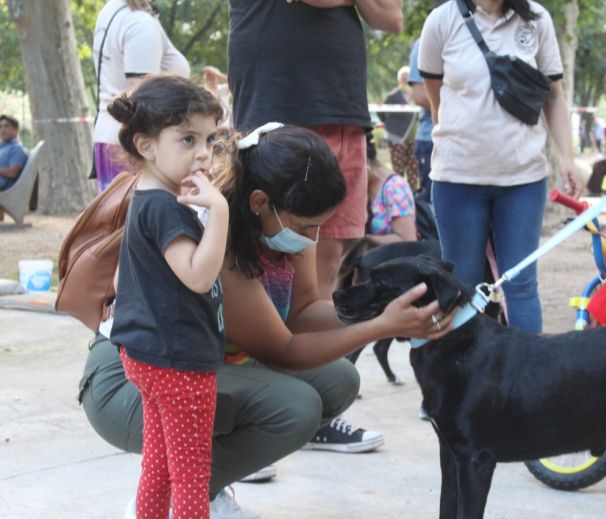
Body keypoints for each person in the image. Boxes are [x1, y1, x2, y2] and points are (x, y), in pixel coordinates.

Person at [79, 122, 454, 519]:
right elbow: (286, 350)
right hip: (132, 383)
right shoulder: (215, 237)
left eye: (319, 226)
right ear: (259, 202)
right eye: (306, 227)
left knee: (339, 379)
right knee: (293, 407)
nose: (313, 238)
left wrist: (380, 307)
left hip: (197, 363)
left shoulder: (286, 221)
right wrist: (382, 326)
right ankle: (165, 498)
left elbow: (305, 311)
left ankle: (200, 488)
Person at [227, 0, 402, 446]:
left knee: (323, 268)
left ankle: (309, 418)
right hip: (274, 102)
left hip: (342, 106)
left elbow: (392, 17)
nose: (308, 238)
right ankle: (244, 413)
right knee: (252, 265)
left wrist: (382, 312)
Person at [418, 0, 583, 333]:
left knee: (520, 284)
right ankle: (463, 379)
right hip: (457, 178)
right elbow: (434, 91)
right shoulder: (441, 20)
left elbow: (554, 95)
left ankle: (528, 382)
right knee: (461, 285)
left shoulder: (536, 19)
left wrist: (567, 156)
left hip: (523, 178)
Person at [107, 76, 227, 518]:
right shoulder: (164, 208)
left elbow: (124, 280)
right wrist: (221, 211)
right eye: (188, 139)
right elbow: (198, 276)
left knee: (159, 468)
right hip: (178, 360)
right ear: (146, 145)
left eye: (210, 140)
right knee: (192, 478)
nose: (202, 152)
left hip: (145, 354)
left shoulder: (144, 197)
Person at [92, 0, 189, 193]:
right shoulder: (140, 24)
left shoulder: (112, 10)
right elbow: (143, 96)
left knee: (117, 220)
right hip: (133, 147)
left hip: (111, 137)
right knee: (133, 219)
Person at [366, 133, 417, 246]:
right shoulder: (365, 188)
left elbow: (407, 240)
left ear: (365, 163)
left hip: (395, 260)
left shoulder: (395, 187)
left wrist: (364, 239)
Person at [379, 66, 419, 191]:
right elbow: (381, 112)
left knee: (414, 168)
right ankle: (399, 194)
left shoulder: (418, 94)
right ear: (399, 80)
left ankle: (414, 197)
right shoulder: (393, 96)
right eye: (403, 78)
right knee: (398, 168)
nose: (406, 80)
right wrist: (389, 125)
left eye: (408, 77)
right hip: (397, 138)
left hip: (415, 138)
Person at [408, 38, 434, 202]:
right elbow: (421, 96)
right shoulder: (424, 42)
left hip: (470, 141)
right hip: (432, 139)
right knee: (430, 204)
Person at [0, 115, 28, 191]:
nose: (2, 130)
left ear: (16, 129)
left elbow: (12, 173)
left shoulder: (17, 148)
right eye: (0, 127)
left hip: (3, 189)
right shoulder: (3, 147)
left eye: (6, 126)